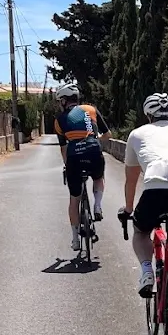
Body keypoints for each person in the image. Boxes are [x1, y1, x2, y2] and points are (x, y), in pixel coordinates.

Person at [120, 92, 168, 335]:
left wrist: (129, 209)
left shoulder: (137, 134)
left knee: (141, 232)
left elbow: (131, 180)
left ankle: (146, 270)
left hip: (155, 190)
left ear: (148, 114)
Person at [52, 83, 111, 252]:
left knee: (74, 199)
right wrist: (95, 142)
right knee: (99, 178)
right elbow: (108, 135)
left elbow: (63, 148)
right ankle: (97, 205)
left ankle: (75, 239)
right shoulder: (91, 110)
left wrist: (67, 165)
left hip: (74, 158)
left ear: (64, 101)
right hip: (93, 152)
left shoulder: (59, 120)